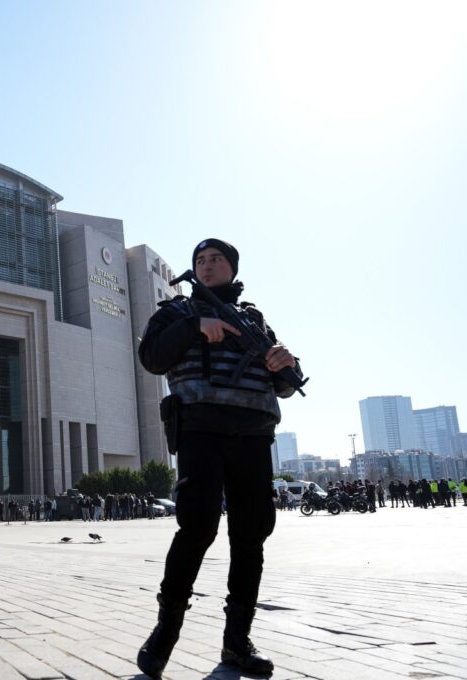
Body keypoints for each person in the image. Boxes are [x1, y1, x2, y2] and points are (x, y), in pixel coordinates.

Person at [135, 238, 303, 678]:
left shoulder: (254, 319)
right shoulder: (176, 312)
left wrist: (285, 361)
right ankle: (165, 633)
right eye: (200, 261)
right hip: (201, 429)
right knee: (198, 525)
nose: (207, 267)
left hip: (252, 433)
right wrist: (195, 327)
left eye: (216, 260)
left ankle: (237, 642)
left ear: (232, 268)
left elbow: (285, 381)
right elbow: (151, 357)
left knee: (251, 534)